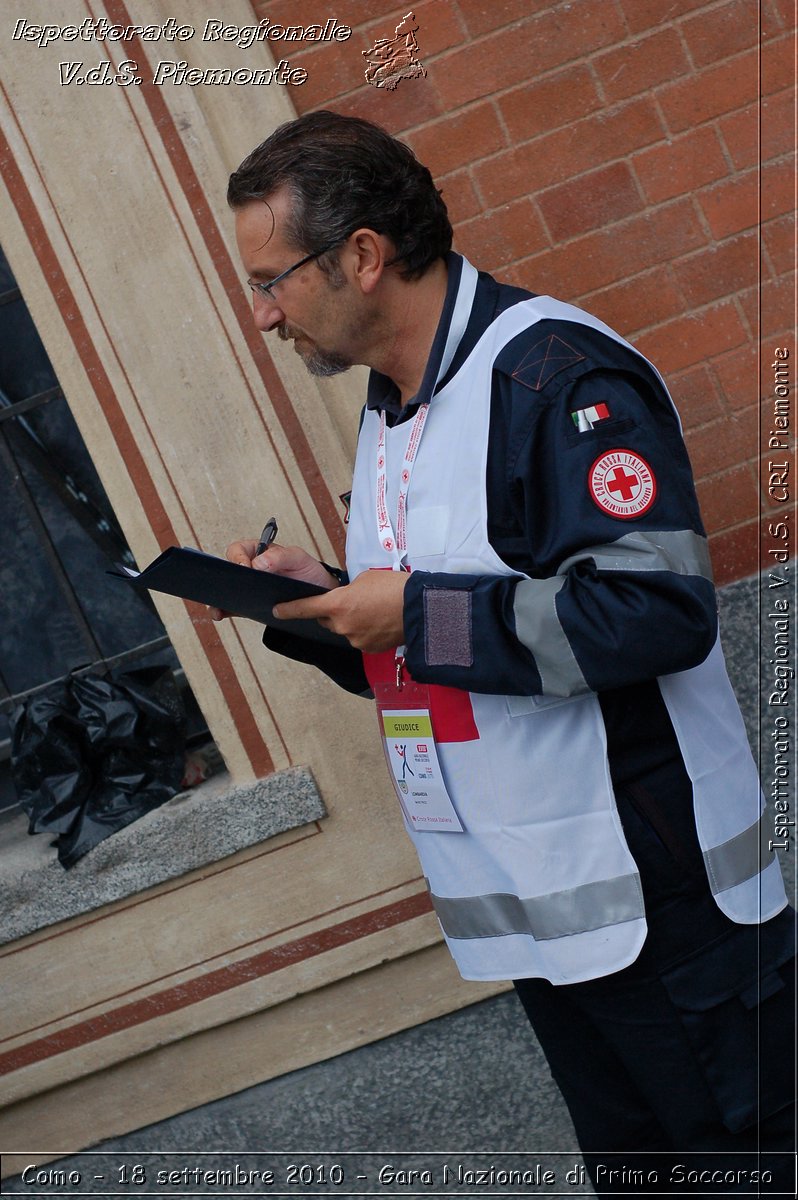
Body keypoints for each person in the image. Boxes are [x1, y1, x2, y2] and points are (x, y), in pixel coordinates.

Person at [214, 111, 795, 1193]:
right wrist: (331, 609)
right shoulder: (394, 409)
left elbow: (657, 610)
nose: (260, 316)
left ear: (363, 256)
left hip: (661, 914)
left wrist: (413, 613)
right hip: (545, 917)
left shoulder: (558, 380)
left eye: (271, 280)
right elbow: (446, 640)